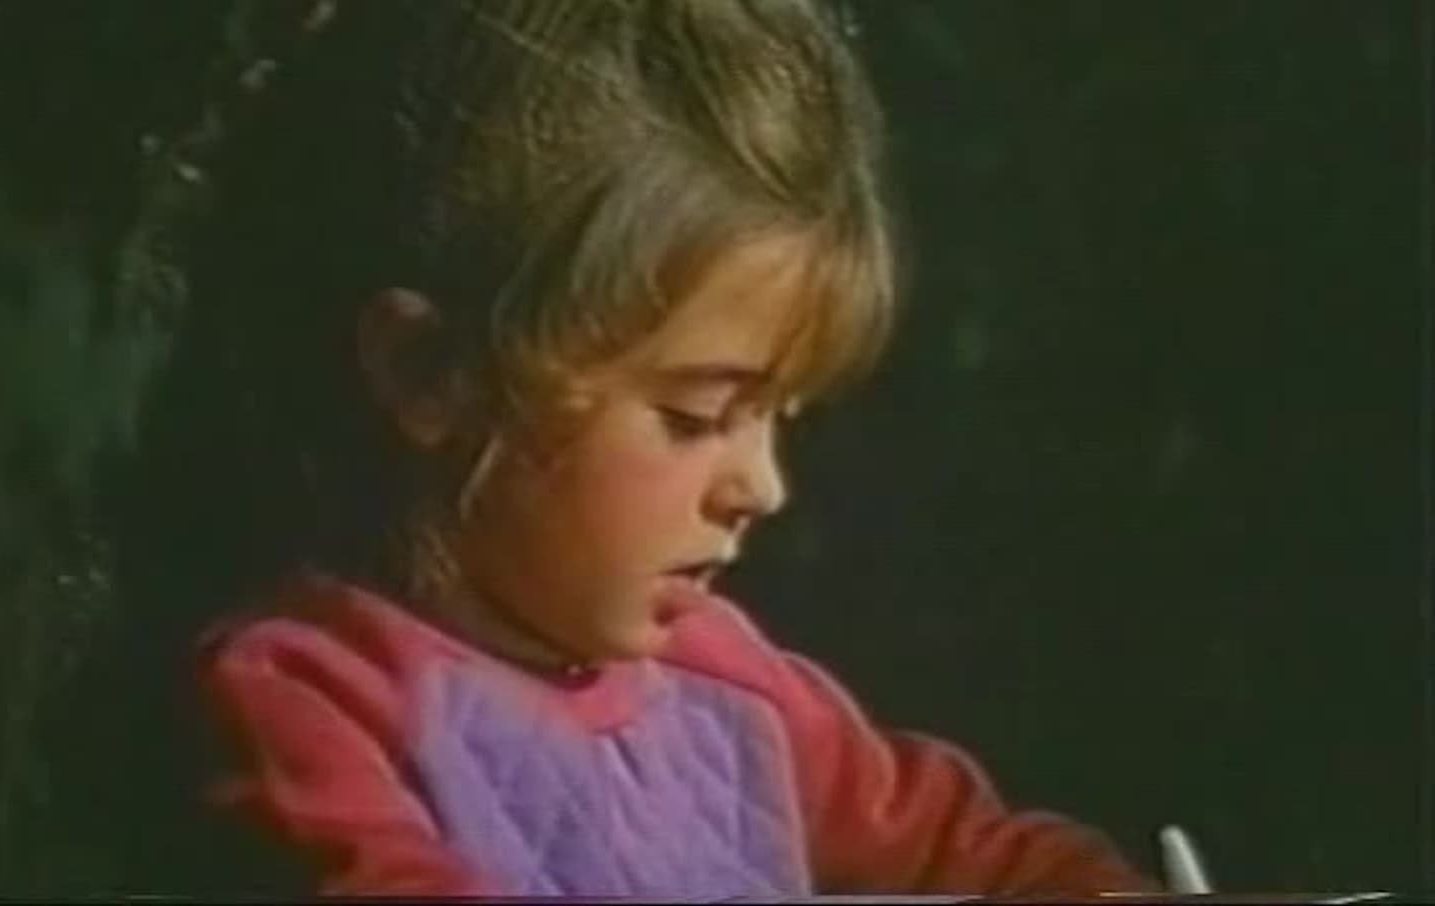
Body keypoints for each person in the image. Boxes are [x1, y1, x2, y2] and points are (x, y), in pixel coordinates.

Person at [163, 0, 1161, 897]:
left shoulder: (731, 682)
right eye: (694, 417)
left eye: (780, 416)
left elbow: (973, 848)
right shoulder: (312, 700)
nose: (762, 487)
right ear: (433, 375)